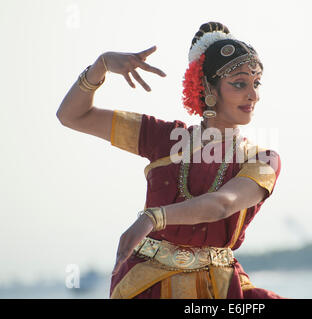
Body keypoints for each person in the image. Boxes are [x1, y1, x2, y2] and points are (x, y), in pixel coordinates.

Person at [57, 21, 283, 299]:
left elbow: (223, 204)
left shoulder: (262, 159)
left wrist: (153, 218)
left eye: (256, 83)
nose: (254, 95)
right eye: (239, 83)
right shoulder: (163, 138)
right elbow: (72, 116)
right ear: (208, 90)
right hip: (148, 285)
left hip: (221, 288)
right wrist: (100, 65)